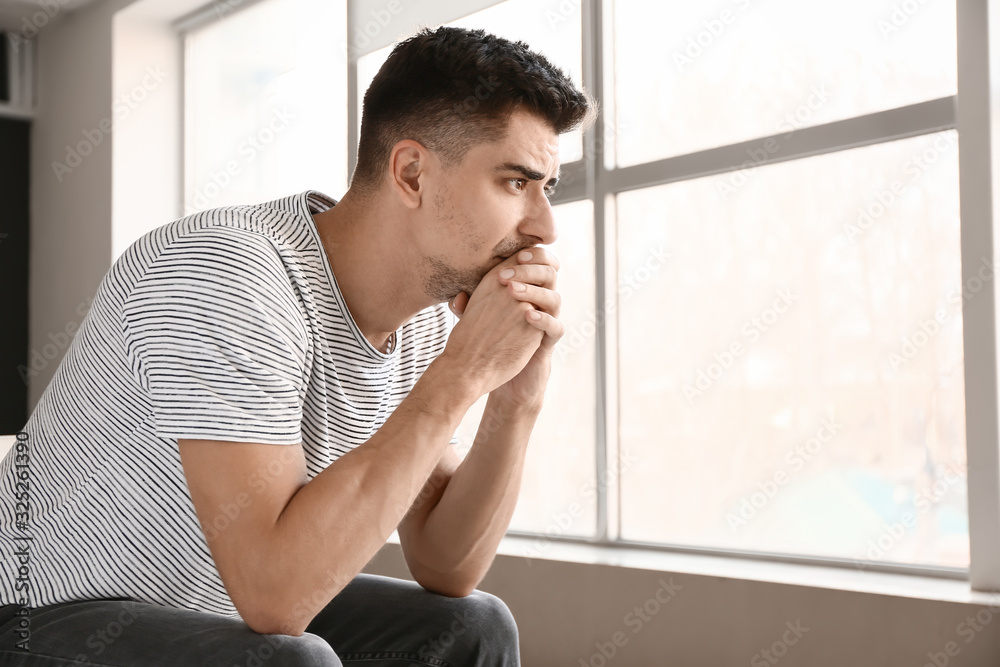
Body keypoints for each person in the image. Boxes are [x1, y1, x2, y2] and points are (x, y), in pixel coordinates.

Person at [0, 24, 594, 666]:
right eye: (515, 183)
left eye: (547, 189)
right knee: (292, 660)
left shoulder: (421, 320)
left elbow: (446, 566)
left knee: (473, 624)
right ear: (413, 173)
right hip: (40, 616)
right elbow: (274, 598)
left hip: (222, 601)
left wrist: (514, 399)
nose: (545, 226)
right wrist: (459, 375)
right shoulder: (226, 273)